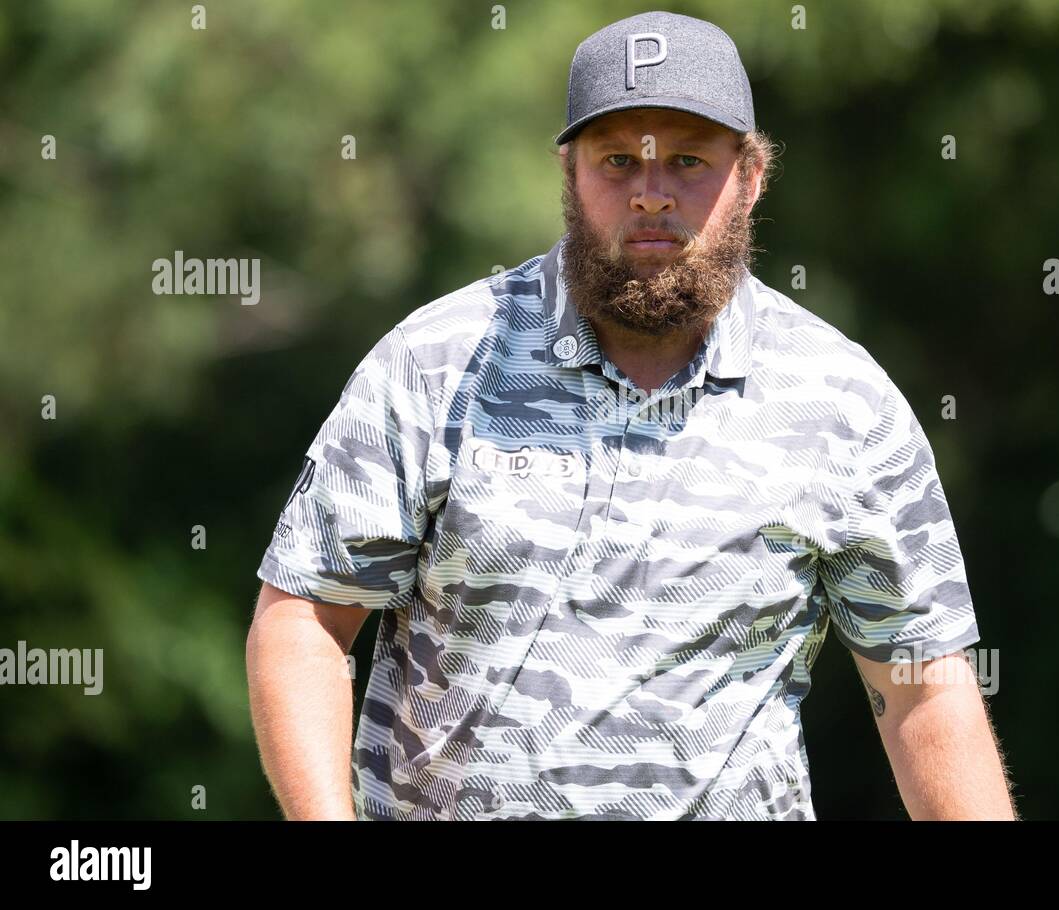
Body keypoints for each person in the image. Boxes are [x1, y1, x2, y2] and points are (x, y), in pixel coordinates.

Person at [246, 10, 1017, 821]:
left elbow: (925, 689)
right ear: (570, 174)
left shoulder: (841, 403)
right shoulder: (435, 365)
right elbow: (302, 620)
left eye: (688, 160)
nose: (650, 193)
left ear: (751, 178)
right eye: (617, 161)